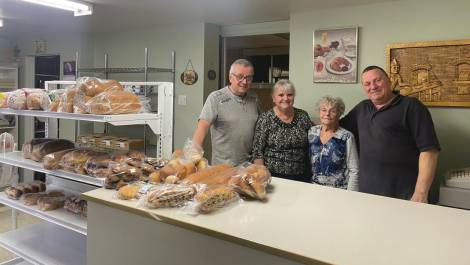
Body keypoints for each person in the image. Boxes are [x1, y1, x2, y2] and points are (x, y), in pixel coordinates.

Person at [341, 65, 440, 202]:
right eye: (367, 84)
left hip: (405, 195)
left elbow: (429, 151)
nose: (373, 86)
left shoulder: (411, 107)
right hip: (366, 193)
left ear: (389, 80)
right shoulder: (362, 108)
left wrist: (421, 193)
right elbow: (336, 128)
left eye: (377, 80)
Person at [192, 59, 260, 166]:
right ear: (230, 77)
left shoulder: (254, 98)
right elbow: (202, 127)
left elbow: (259, 130)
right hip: (223, 167)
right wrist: (194, 155)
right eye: (240, 76)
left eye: (248, 77)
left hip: (248, 167)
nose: (244, 81)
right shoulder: (216, 98)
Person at [252, 80, 311, 182]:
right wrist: (261, 175)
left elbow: (311, 143)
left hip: (301, 175)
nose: (286, 98)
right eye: (281, 95)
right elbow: (257, 152)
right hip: (272, 176)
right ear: (274, 98)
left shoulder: (303, 116)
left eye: (289, 95)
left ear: (294, 97)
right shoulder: (265, 118)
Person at [308, 96, 359, 190]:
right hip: (314, 187)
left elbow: (354, 170)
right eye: (323, 110)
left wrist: (351, 195)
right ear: (319, 112)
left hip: (339, 190)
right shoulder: (312, 132)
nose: (327, 114)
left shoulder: (347, 136)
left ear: (339, 114)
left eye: (333, 111)